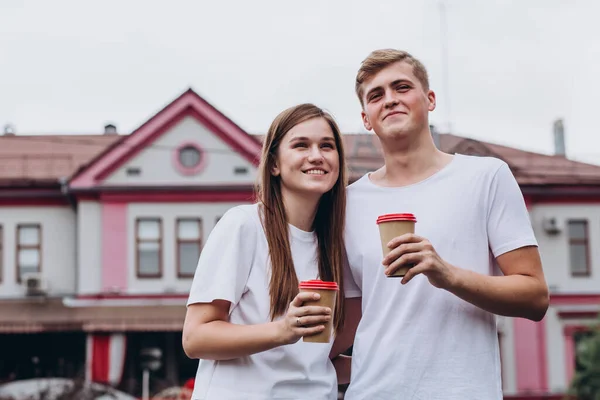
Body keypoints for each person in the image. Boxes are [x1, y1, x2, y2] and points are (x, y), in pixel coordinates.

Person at [331, 49, 550, 399]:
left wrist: (447, 275)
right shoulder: (347, 203)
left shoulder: (485, 176)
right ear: (366, 118)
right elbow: (354, 318)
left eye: (401, 87)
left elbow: (535, 296)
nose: (389, 100)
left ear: (429, 99)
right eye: (377, 95)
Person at [182, 103, 348, 400]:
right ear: (274, 164)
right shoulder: (243, 225)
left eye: (327, 146)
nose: (316, 156)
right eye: (301, 145)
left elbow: (315, 359)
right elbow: (196, 338)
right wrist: (282, 330)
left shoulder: (336, 244)